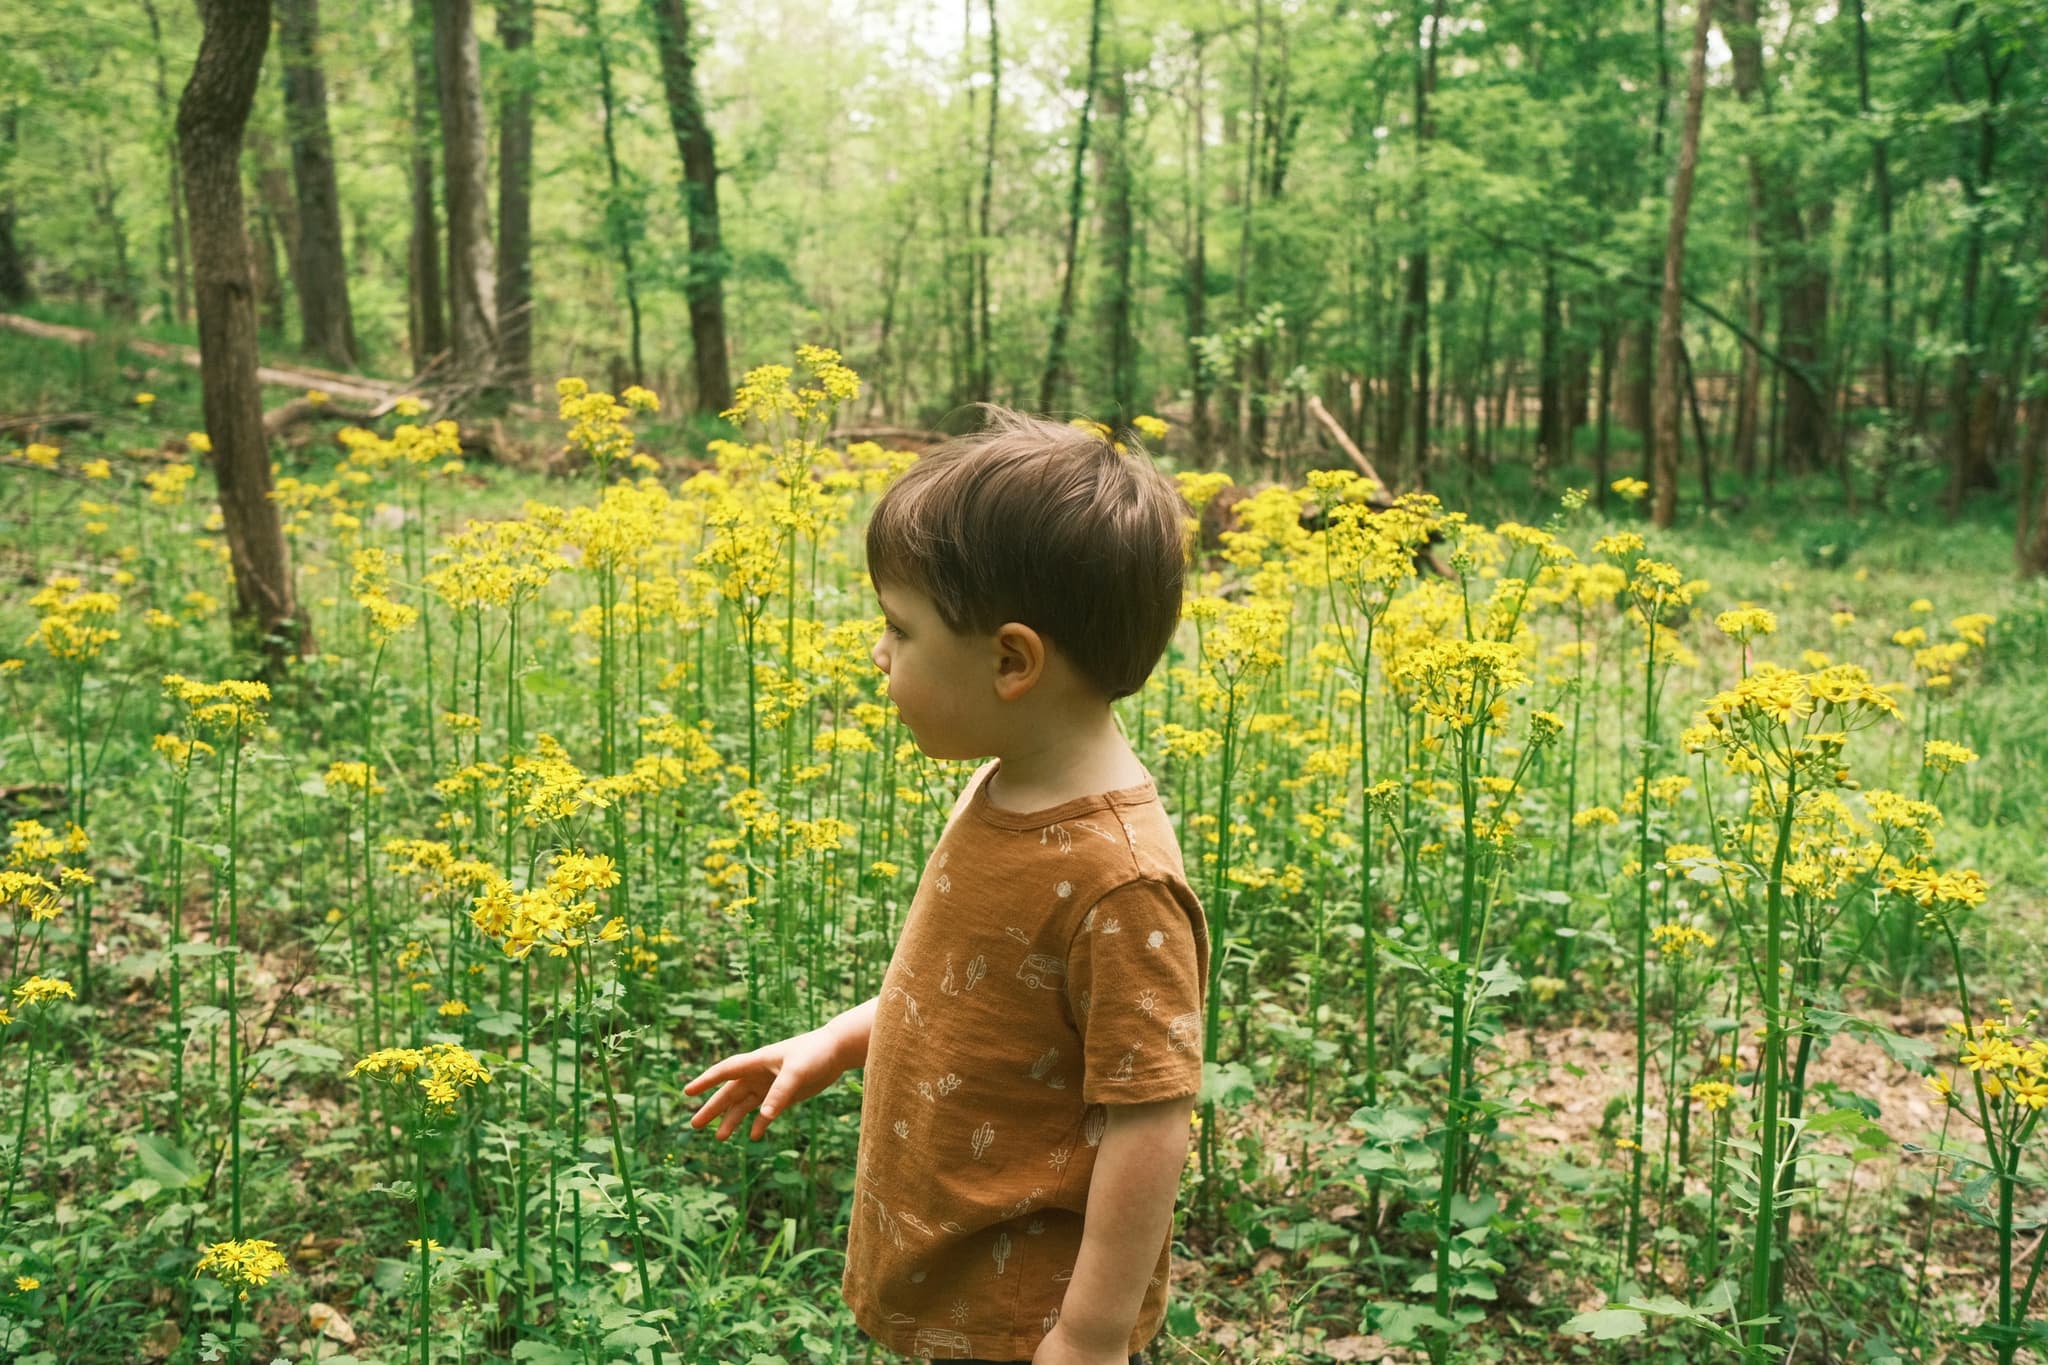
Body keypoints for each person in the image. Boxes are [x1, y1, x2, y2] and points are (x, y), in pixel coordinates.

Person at [684, 408, 1210, 1365]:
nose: (880, 652)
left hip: (1026, 1322)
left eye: (901, 627)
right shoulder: (1003, 782)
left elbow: (1153, 1121)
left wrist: (1088, 1337)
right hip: (949, 1274)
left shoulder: (1119, 880)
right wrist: (837, 1041)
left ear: (1013, 660)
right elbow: (968, 986)